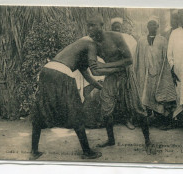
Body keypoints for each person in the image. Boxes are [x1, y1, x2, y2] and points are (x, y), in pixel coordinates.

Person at [30, 23, 126, 160]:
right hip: (61, 73)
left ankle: (34, 151)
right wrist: (117, 68)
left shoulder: (80, 47)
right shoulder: (91, 42)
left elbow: (88, 76)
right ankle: (87, 152)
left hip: (47, 70)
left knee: (41, 110)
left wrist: (104, 89)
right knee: (76, 112)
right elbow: (95, 70)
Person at [86, 14, 150, 149]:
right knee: (106, 107)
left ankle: (148, 142)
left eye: (93, 25)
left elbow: (129, 60)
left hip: (126, 74)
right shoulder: (92, 44)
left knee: (137, 108)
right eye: (88, 25)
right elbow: (95, 69)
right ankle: (111, 140)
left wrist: (105, 65)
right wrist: (105, 67)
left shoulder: (115, 36)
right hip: (112, 76)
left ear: (101, 26)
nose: (89, 28)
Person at [135, 16, 169, 121]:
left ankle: (159, 118)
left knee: (157, 94)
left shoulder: (162, 40)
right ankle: (146, 116)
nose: (152, 26)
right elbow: (136, 57)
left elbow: (166, 58)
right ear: (147, 26)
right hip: (144, 72)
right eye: (150, 24)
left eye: (154, 24)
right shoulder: (141, 41)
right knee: (145, 94)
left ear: (158, 26)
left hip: (158, 73)